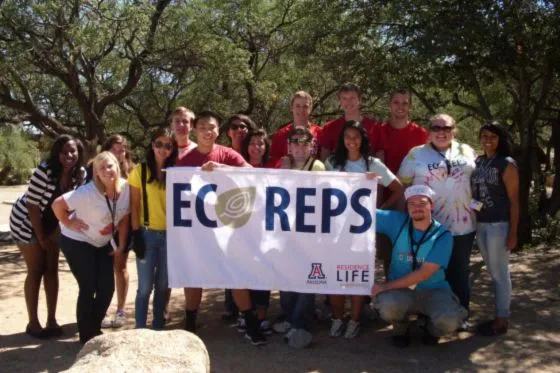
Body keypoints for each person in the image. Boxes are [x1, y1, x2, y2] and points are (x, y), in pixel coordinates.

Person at [176, 111, 266, 346]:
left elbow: (252, 173)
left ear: (218, 131)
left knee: (236, 275)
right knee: (194, 276)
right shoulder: (184, 161)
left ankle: (250, 322)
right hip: (197, 231)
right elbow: (177, 192)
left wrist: (224, 169)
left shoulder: (227, 154)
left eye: (212, 127)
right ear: (196, 130)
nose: (208, 131)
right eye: (203, 127)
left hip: (229, 229)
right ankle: (190, 324)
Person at [325, 120, 404, 339]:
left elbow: (398, 188)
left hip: (362, 232)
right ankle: (337, 318)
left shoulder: (373, 164)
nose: (352, 141)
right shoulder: (332, 162)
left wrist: (379, 210)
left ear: (363, 139)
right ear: (342, 139)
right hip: (336, 229)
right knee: (335, 276)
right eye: (348, 137)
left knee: (357, 274)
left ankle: (355, 320)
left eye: (356, 137)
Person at [398, 114, 477, 318]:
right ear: (428, 130)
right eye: (436, 128)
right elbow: (402, 185)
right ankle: (429, 316)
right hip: (431, 227)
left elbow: (479, 181)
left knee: (459, 271)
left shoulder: (466, 150)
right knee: (431, 273)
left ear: (454, 130)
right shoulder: (416, 154)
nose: (441, 132)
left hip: (463, 224)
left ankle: (461, 314)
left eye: (447, 128)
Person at [9, 134, 86, 339]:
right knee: (36, 269)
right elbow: (32, 206)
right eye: (64, 152)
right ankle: (33, 323)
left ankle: (52, 320)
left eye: (73, 151)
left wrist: (53, 234)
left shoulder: (80, 174)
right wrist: (42, 238)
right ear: (57, 154)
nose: (69, 155)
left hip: (54, 224)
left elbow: (72, 207)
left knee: (51, 270)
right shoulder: (44, 171)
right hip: (26, 222)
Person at [372, 185, 467, 348]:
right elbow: (361, 211)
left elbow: (424, 273)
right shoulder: (397, 221)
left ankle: (432, 329)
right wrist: (363, 182)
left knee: (450, 320)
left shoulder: (443, 235)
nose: (417, 208)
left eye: (422, 203)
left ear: (431, 205)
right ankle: (400, 328)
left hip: (434, 291)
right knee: (387, 306)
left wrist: (384, 286)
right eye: (412, 204)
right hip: (401, 292)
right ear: (407, 207)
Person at [52, 151, 130, 344]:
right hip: (77, 240)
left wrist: (120, 246)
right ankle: (86, 337)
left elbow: (124, 218)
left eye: (110, 166)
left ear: (117, 166)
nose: (106, 171)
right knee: (88, 286)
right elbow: (57, 205)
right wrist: (68, 222)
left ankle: (93, 329)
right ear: (96, 173)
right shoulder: (87, 192)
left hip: (102, 242)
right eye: (101, 168)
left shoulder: (126, 189)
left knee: (106, 288)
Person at [272, 127, 325, 349]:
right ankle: (289, 317)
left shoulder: (317, 166)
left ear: (312, 145)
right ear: (288, 146)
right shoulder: (282, 165)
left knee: (306, 278)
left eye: (304, 143)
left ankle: (300, 323)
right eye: (294, 142)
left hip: (309, 232)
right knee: (286, 277)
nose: (299, 147)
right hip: (285, 231)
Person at [471, 122, 519, 336]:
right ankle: (499, 315)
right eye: (484, 136)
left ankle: (502, 319)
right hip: (480, 223)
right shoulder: (479, 162)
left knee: (500, 273)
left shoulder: (506, 163)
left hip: (499, 225)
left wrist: (513, 233)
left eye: (492, 136)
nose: (488, 140)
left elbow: (515, 201)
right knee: (493, 271)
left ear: (500, 139)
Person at [129, 128, 178, 330]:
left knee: (163, 285)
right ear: (152, 145)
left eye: (168, 146)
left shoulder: (177, 172)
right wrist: (136, 235)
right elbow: (134, 205)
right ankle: (140, 328)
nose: (163, 149)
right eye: (159, 144)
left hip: (171, 237)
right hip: (147, 234)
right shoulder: (139, 171)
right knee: (145, 286)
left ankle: (158, 326)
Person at [221, 114, 259, 322]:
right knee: (231, 259)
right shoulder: (221, 153)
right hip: (228, 212)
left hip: (252, 214)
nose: (240, 130)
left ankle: (251, 307)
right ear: (228, 132)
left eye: (244, 126)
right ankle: (231, 306)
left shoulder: (253, 150)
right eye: (235, 126)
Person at [97, 135, 135, 329]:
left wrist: (121, 242)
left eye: (123, 149)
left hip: (122, 227)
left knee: (120, 267)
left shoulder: (130, 173)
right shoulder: (96, 170)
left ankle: (120, 310)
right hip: (99, 229)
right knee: (101, 271)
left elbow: (127, 212)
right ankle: (101, 310)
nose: (121, 153)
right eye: (117, 149)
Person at [318, 83, 380, 161]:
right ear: (340, 101)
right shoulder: (329, 127)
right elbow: (324, 160)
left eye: (352, 98)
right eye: (344, 98)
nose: (348, 102)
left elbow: (380, 158)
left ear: (359, 100)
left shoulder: (374, 127)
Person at [373, 89, 429, 174]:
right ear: (390, 105)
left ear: (410, 106)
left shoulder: (421, 133)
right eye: (396, 102)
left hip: (413, 186)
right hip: (385, 185)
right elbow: (377, 166)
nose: (400, 106)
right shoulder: (379, 131)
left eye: (405, 103)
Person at [269, 91, 322, 162]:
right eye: (298, 106)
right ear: (291, 108)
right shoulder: (280, 134)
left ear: (310, 109)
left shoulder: (320, 132)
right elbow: (274, 161)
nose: (301, 110)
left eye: (305, 106)